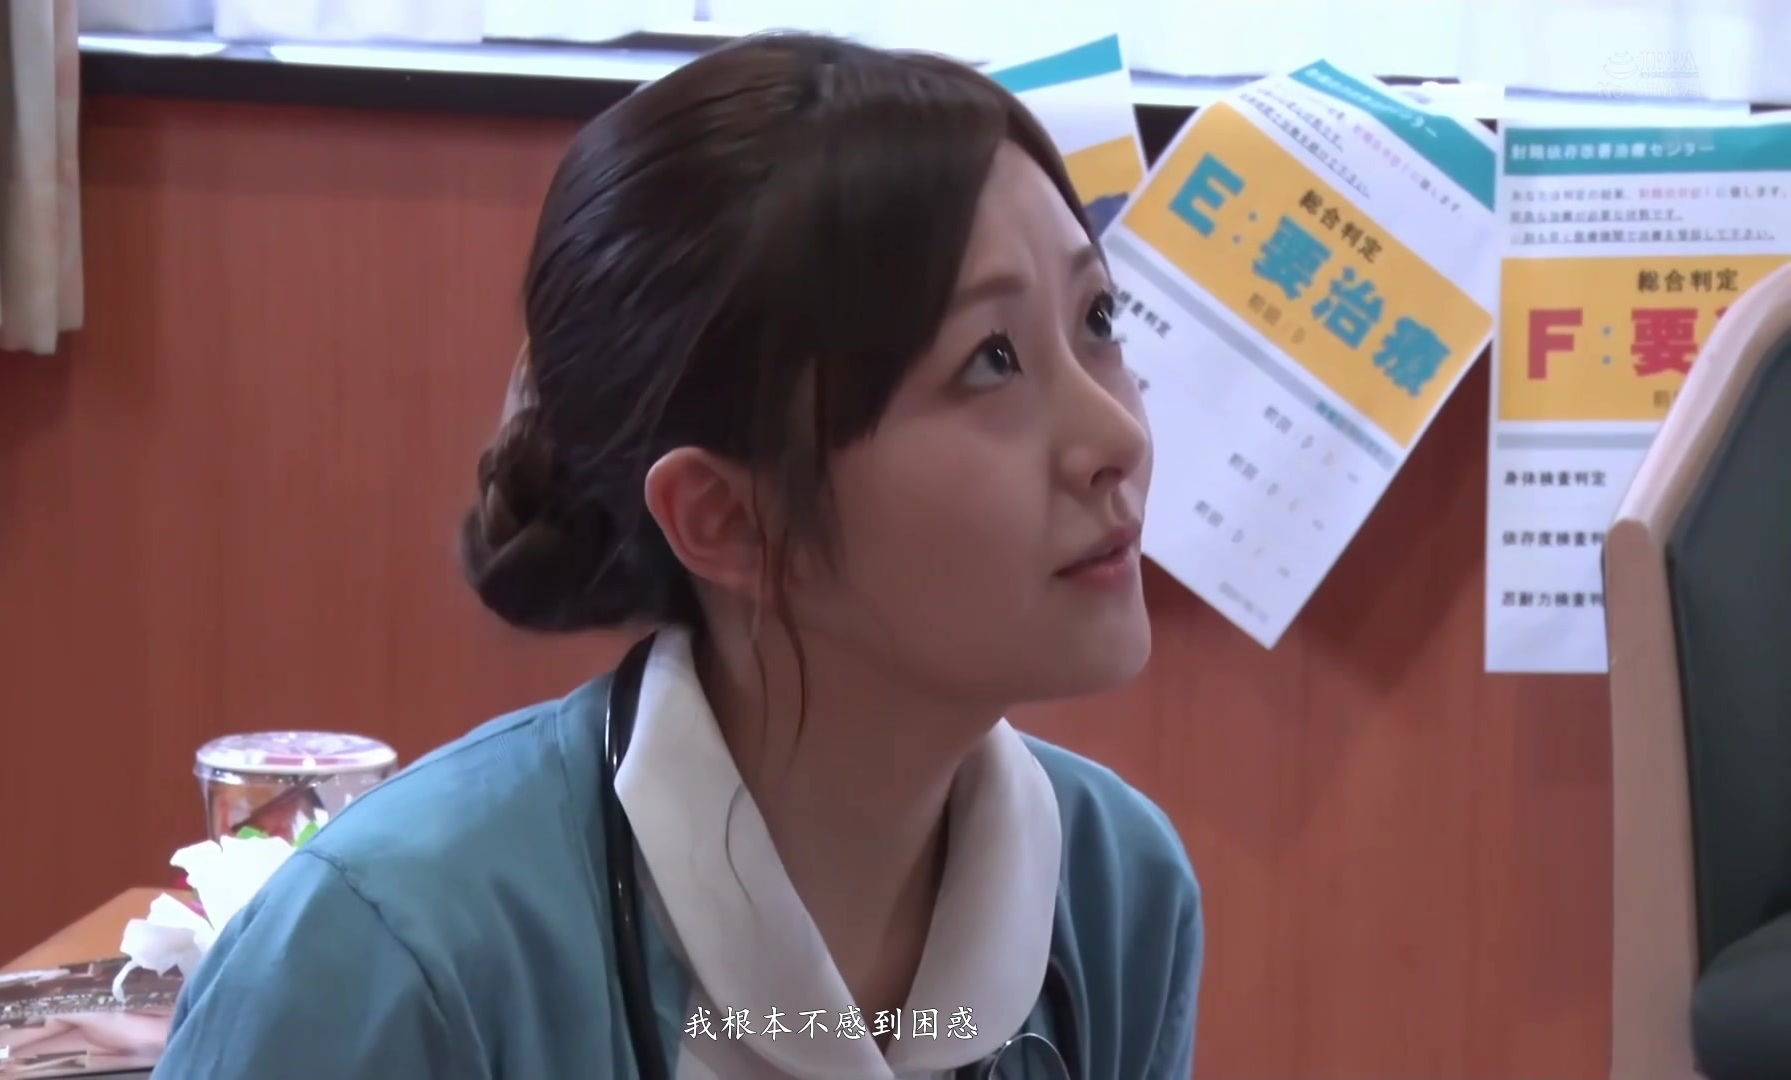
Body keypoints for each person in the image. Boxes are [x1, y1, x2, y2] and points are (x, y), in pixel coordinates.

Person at [154, 30, 1201, 1080]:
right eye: (992, 360)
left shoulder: (1117, 891)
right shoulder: (386, 964)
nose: (1118, 437)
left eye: (1097, 318)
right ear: (726, 520)